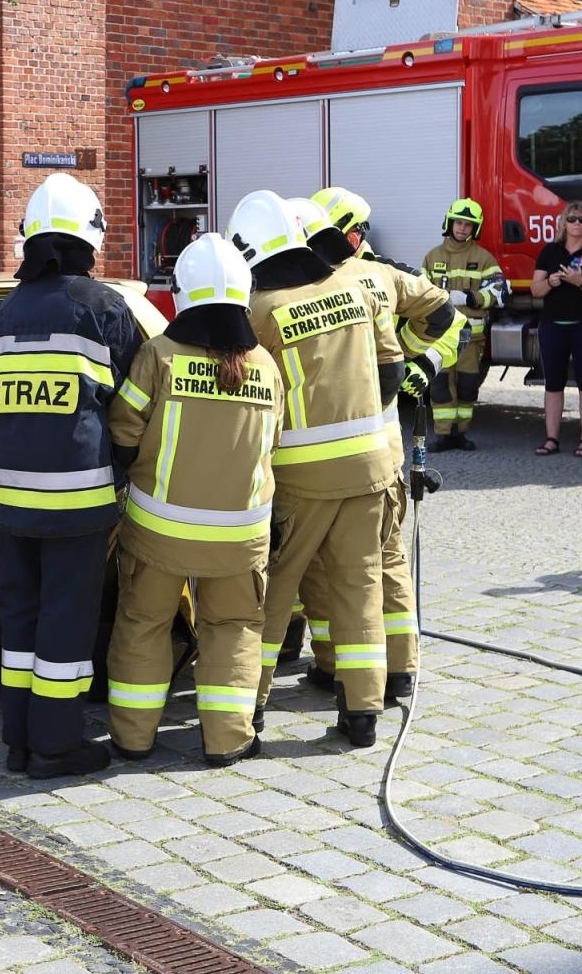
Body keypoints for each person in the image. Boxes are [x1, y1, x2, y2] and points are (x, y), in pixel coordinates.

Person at [0, 172, 141, 779]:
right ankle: (55, 746)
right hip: (76, 503)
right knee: (64, 625)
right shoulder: (101, 308)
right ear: (89, 238)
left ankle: (18, 740)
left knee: (19, 619)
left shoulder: (4, 313)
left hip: (10, 504)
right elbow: (134, 400)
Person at [105, 233, 283, 767]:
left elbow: (122, 430)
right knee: (232, 630)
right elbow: (273, 443)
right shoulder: (267, 366)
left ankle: (133, 739)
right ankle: (227, 741)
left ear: (182, 292)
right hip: (239, 539)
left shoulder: (158, 355)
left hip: (158, 533)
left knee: (143, 625)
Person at [232, 191, 399, 748]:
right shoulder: (354, 286)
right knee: (360, 584)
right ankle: (363, 713)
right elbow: (390, 369)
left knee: (274, 591)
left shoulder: (261, 312)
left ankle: (246, 712)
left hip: (301, 480)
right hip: (370, 465)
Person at [291, 190, 463, 703]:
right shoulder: (332, 275)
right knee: (364, 559)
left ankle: (373, 668)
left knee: (359, 560)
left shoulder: (382, 273)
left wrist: (419, 366)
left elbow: (453, 323)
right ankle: (364, 665)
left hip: (370, 430)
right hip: (365, 436)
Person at [420, 198, 506, 451]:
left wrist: (472, 298)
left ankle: (461, 433)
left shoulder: (484, 258)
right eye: (459, 223)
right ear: (449, 223)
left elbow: (500, 292)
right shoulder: (432, 256)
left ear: (475, 229)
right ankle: (443, 435)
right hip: (440, 338)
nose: (462, 228)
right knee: (440, 387)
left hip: (471, 340)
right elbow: (417, 293)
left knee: (468, 387)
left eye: (469, 225)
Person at [530, 202, 582, 457]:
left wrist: (580, 282)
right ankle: (551, 439)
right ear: (563, 223)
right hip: (552, 325)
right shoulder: (550, 252)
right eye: (572, 219)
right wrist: (551, 282)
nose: (577, 224)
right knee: (553, 383)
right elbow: (536, 290)